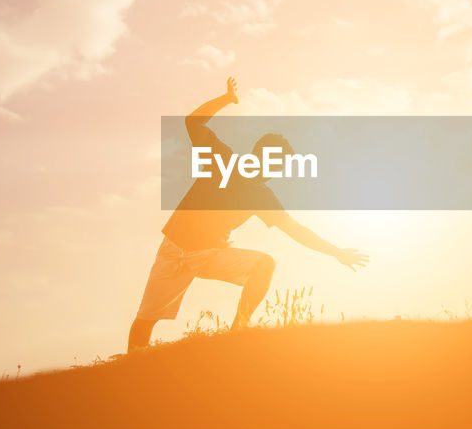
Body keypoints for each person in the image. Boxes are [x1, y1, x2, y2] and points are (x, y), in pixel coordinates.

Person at [128, 77, 368, 352]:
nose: (276, 171)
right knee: (145, 320)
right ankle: (130, 364)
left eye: (281, 166)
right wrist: (226, 99)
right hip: (176, 253)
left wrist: (336, 252)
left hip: (212, 254)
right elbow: (193, 122)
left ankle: (237, 332)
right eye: (275, 163)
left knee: (264, 264)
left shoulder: (262, 196)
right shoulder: (223, 161)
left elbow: (295, 230)